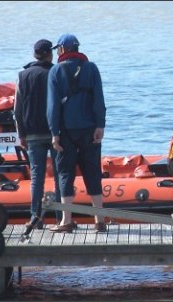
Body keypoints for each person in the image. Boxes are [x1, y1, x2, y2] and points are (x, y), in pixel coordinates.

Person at [46, 34, 107, 233]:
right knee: (93, 172)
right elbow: (99, 100)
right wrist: (100, 125)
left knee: (65, 173)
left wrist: (54, 132)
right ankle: (99, 220)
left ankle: (66, 220)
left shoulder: (55, 71)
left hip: (66, 132)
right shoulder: (92, 68)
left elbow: (53, 106)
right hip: (90, 130)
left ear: (62, 50)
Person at [14, 39, 62, 229]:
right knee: (60, 175)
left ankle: (36, 217)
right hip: (54, 133)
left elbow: (17, 109)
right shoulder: (55, 72)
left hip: (32, 133)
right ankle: (61, 217)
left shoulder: (22, 75)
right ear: (49, 54)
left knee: (37, 177)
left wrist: (21, 134)